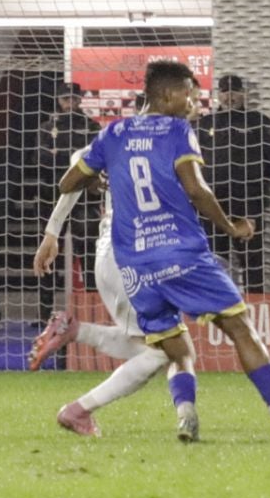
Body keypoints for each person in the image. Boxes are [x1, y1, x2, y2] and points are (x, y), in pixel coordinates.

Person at [50, 60, 270, 442]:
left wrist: (101, 178)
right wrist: (231, 227)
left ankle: (186, 417)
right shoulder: (178, 130)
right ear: (167, 94)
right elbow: (197, 190)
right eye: (190, 94)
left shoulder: (112, 134)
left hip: (136, 265)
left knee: (174, 349)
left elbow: (68, 182)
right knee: (240, 327)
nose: (195, 103)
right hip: (180, 253)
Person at [25, 152, 173, 430]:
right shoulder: (160, 142)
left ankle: (74, 330)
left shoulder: (116, 141)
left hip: (113, 251)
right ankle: (78, 410)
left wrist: (53, 232)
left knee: (156, 345)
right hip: (128, 256)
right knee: (164, 352)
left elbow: (77, 164)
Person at [197, 73, 270, 292]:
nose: (230, 97)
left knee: (252, 260)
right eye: (225, 92)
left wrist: (251, 183)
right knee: (215, 258)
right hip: (212, 203)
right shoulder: (204, 124)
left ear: (243, 94)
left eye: (235, 92)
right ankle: (217, 305)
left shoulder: (259, 122)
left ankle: (256, 307)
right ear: (218, 95)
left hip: (248, 203)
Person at [36, 83, 101, 317]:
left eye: (73, 98)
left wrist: (61, 156)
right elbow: (41, 157)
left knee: (90, 253)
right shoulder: (47, 127)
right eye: (65, 99)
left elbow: (95, 160)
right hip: (52, 197)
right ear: (59, 100)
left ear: (80, 100)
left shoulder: (92, 127)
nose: (69, 103)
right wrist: (72, 159)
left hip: (85, 198)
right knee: (49, 252)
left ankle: (94, 311)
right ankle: (46, 314)